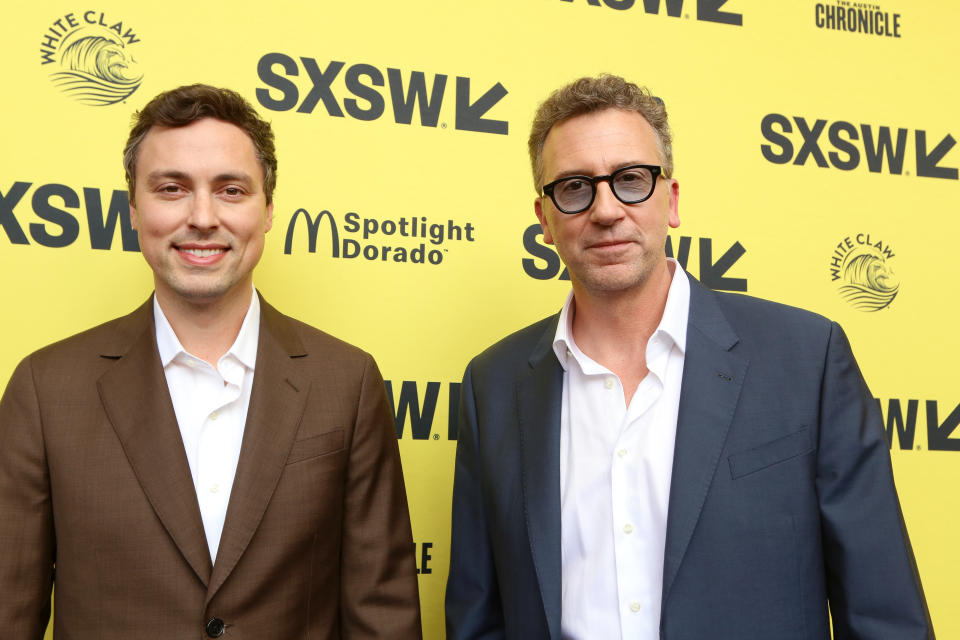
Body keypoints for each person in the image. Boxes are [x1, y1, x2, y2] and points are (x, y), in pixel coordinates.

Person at [445, 75, 932, 639]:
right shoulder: (494, 386)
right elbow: (478, 617)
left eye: (630, 179)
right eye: (575, 187)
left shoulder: (806, 360)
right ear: (545, 220)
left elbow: (883, 614)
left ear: (670, 200)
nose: (605, 210)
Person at [0, 84, 422, 639]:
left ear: (268, 210)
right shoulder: (45, 388)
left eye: (231, 190)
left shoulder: (347, 381)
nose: (202, 217)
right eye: (172, 188)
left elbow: (382, 614)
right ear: (133, 209)